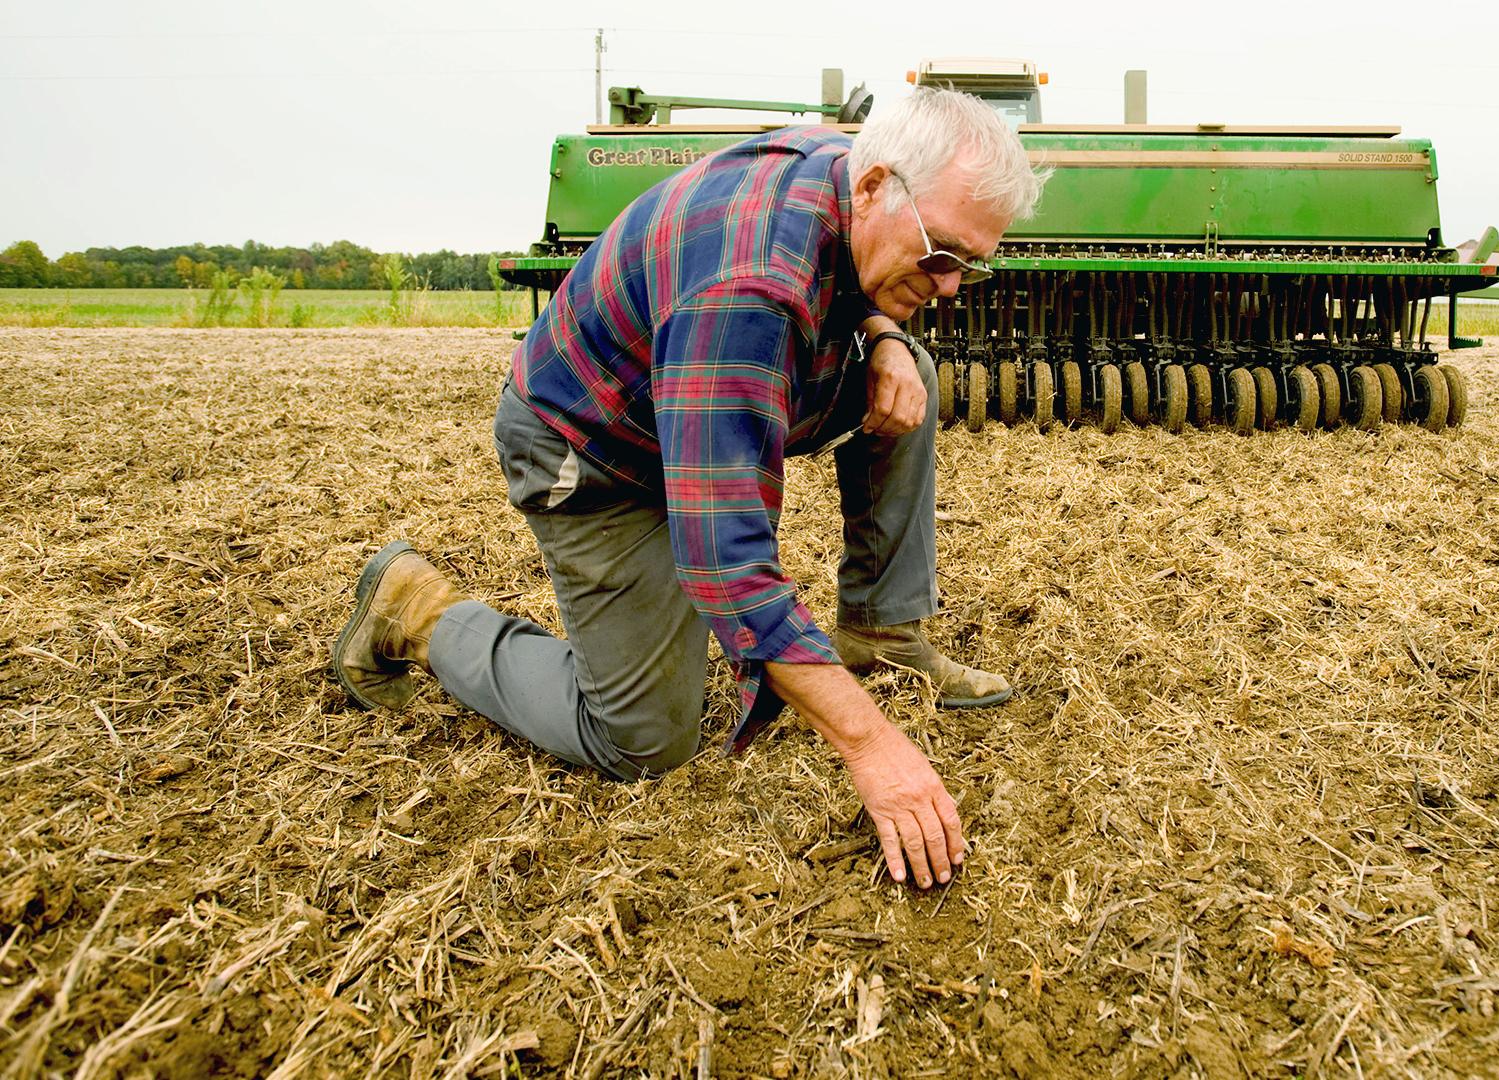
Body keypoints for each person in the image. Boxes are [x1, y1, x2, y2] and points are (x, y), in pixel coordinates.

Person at [331, 88, 1048, 890]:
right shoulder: (751, 288)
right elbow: (728, 564)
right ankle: (420, 615)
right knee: (640, 743)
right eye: (941, 253)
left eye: (970, 266)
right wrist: (872, 747)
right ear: (877, 186)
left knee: (907, 370)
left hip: (687, 398)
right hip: (596, 451)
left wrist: (881, 333)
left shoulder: (837, 166)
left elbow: (858, 285)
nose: (950, 287)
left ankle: (881, 632)